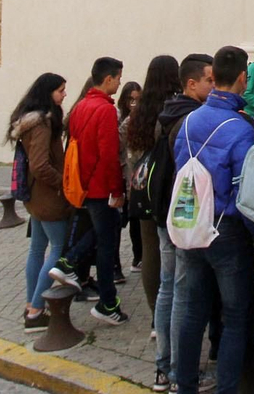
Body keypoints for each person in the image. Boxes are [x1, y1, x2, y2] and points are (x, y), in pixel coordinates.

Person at [171, 46, 254, 394]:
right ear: (243, 76)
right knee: (235, 318)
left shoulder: (190, 120)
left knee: (194, 311)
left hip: (193, 226)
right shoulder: (240, 127)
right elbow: (247, 190)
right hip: (226, 231)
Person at [150, 54, 212, 394]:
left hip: (165, 211)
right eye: (209, 81)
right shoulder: (192, 118)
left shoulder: (166, 112)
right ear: (191, 84)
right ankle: (178, 373)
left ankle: (164, 368)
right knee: (184, 294)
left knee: (167, 287)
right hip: (184, 214)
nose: (213, 87)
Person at [7, 72, 71, 332]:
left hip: (35, 197)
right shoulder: (43, 124)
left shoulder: (29, 121)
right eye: (60, 90)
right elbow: (40, 165)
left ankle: (30, 304)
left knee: (37, 249)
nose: (64, 94)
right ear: (48, 93)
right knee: (57, 249)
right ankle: (35, 312)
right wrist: (63, 184)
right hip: (49, 198)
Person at [68, 56, 128, 324]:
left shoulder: (81, 106)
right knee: (106, 244)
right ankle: (106, 301)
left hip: (86, 185)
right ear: (108, 79)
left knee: (103, 234)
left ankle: (70, 264)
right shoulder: (104, 110)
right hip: (102, 187)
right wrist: (117, 190)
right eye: (118, 78)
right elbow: (109, 155)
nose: (119, 83)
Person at [126, 56, 180, 327]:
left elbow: (132, 151)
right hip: (166, 186)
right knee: (171, 251)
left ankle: (154, 317)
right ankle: (168, 315)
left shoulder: (140, 110)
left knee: (149, 250)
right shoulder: (173, 107)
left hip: (142, 185)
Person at [118, 79, 144, 274]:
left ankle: (140, 256)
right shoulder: (123, 122)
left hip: (137, 175)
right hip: (127, 175)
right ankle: (136, 257)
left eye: (137, 99)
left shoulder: (140, 119)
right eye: (130, 100)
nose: (133, 104)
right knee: (131, 219)